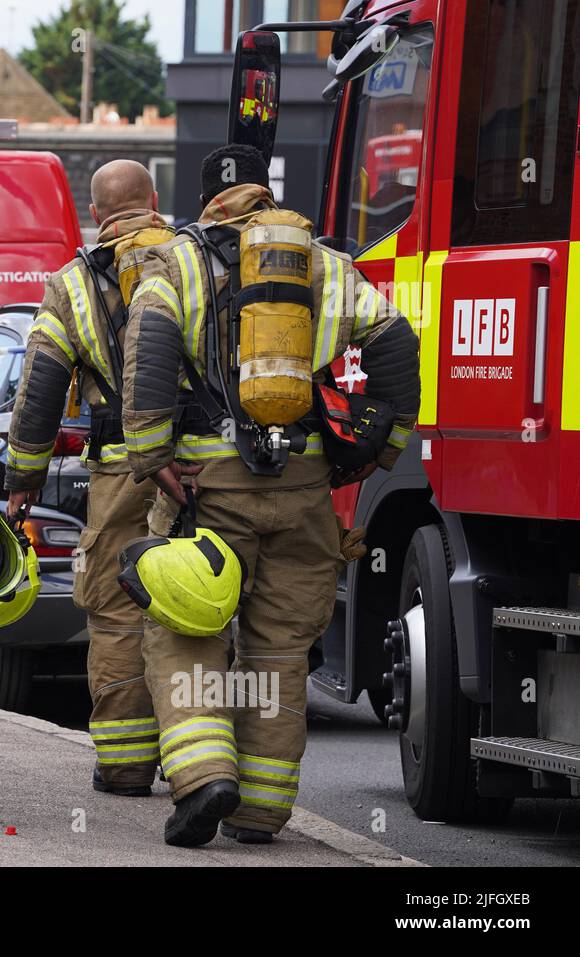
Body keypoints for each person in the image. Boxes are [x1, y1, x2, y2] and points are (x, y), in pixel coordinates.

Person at [121, 144, 421, 846]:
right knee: (281, 648)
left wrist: (151, 455)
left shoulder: (180, 263)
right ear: (264, 190)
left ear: (204, 199)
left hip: (205, 488)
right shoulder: (321, 263)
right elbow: (396, 345)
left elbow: (153, 349)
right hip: (302, 490)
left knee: (184, 629)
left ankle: (203, 775)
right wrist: (376, 448)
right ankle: (261, 808)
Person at [4, 160, 177, 796]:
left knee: (115, 607)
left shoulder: (75, 283)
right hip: (207, 464)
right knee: (207, 600)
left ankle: (127, 764)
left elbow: (43, 384)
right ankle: (204, 757)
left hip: (124, 472)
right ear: (154, 201)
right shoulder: (197, 259)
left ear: (96, 214)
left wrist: (22, 473)